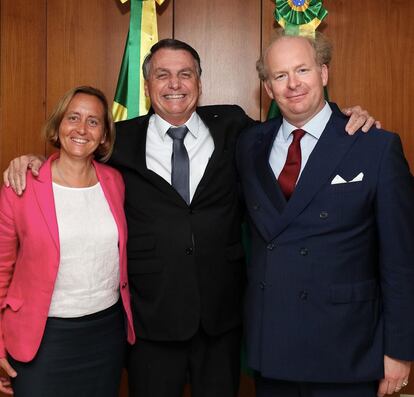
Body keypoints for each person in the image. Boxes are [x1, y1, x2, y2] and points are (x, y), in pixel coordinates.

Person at [2, 39, 377, 397]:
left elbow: (297, 122)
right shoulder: (120, 141)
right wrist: (32, 162)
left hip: (222, 320)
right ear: (148, 85)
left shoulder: (236, 128)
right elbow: (73, 156)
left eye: (185, 73)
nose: (175, 84)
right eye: (162, 74)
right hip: (152, 322)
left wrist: (345, 115)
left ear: (200, 81)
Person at [236, 29, 414, 397]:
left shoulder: (375, 146)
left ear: (324, 73)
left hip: (346, 350)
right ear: (268, 88)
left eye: (302, 70)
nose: (293, 84)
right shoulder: (248, 144)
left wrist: (400, 350)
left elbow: (401, 260)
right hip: (274, 348)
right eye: (280, 76)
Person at [0, 86, 135, 397]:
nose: (81, 129)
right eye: (73, 117)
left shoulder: (114, 182)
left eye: (93, 121)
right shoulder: (20, 186)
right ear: (58, 125)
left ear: (103, 136)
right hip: (42, 338)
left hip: (105, 335)